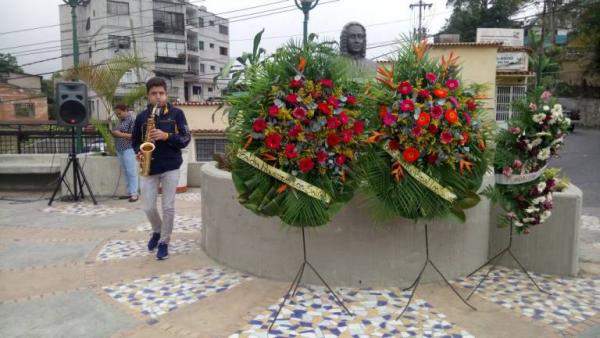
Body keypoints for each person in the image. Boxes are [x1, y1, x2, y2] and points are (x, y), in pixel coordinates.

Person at [132, 77, 191, 260]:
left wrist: (166, 136)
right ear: (148, 96)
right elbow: (135, 141)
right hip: (149, 167)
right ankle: (157, 231)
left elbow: (186, 138)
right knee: (148, 207)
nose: (158, 97)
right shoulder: (142, 117)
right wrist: (138, 152)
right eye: (154, 93)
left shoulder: (177, 114)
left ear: (166, 94)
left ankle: (164, 241)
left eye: (161, 93)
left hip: (171, 166)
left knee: (168, 207)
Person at [111, 103, 139, 202]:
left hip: (128, 148)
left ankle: (134, 194)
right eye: (117, 114)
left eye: (119, 113)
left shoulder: (132, 120)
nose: (118, 115)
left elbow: (134, 136)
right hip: (120, 149)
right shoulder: (120, 121)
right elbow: (115, 131)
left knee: (131, 172)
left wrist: (119, 134)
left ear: (126, 110)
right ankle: (129, 192)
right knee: (125, 171)